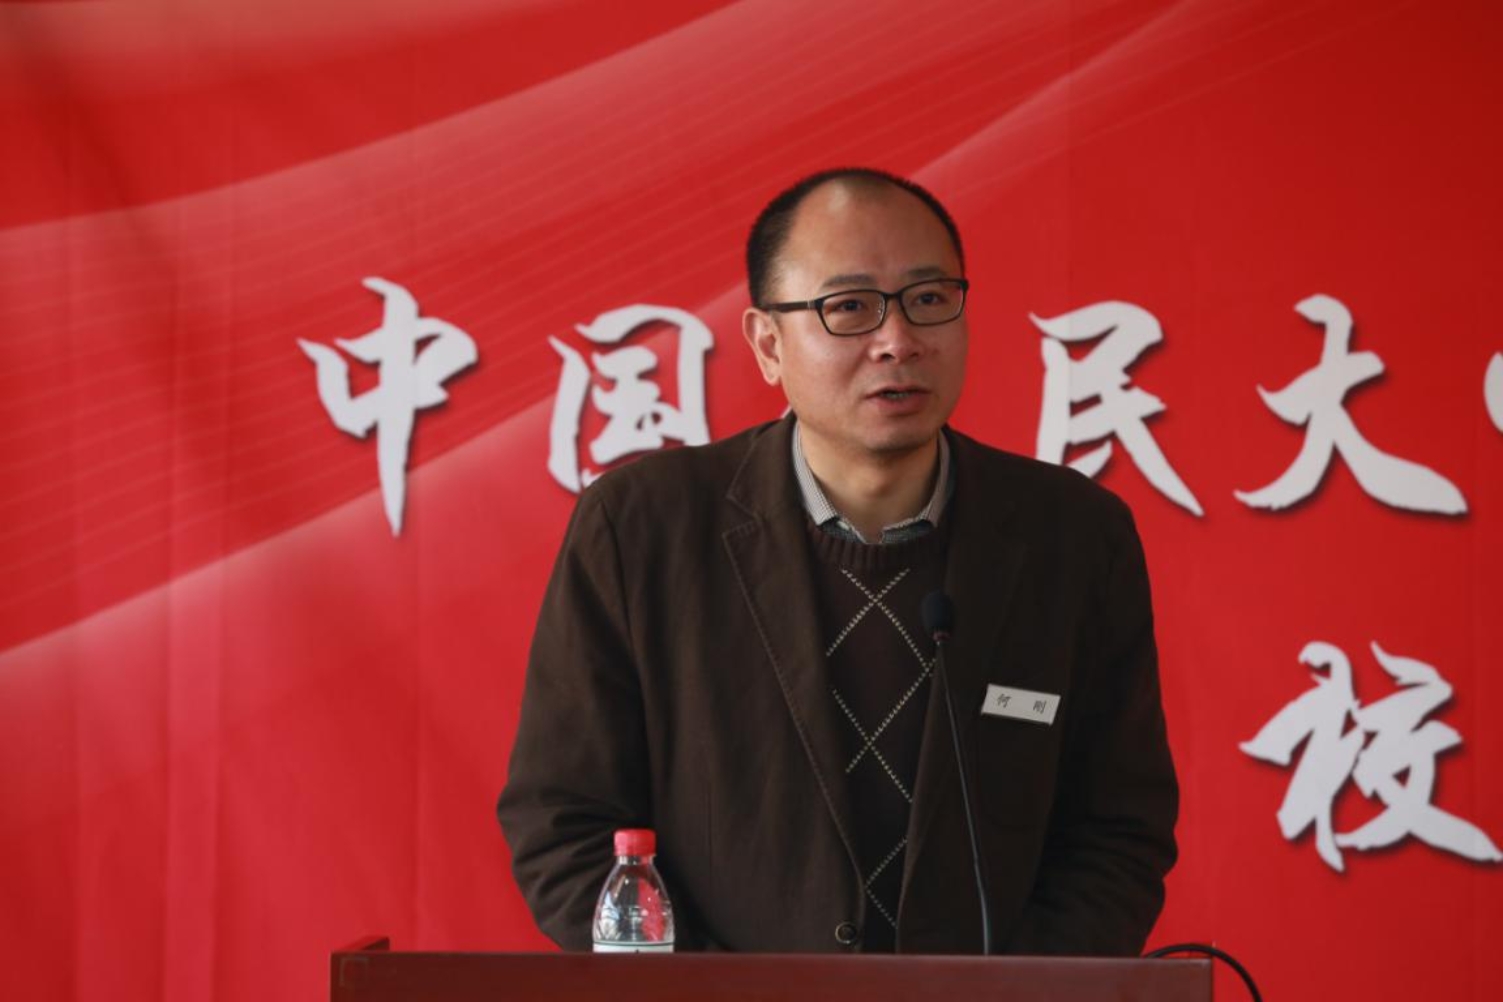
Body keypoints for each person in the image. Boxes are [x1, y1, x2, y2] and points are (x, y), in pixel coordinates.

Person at [497, 167, 1178, 955]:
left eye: (928, 298)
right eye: (849, 308)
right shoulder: (642, 529)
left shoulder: (1072, 537)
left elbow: (1116, 834)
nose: (897, 340)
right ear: (767, 344)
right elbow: (563, 828)